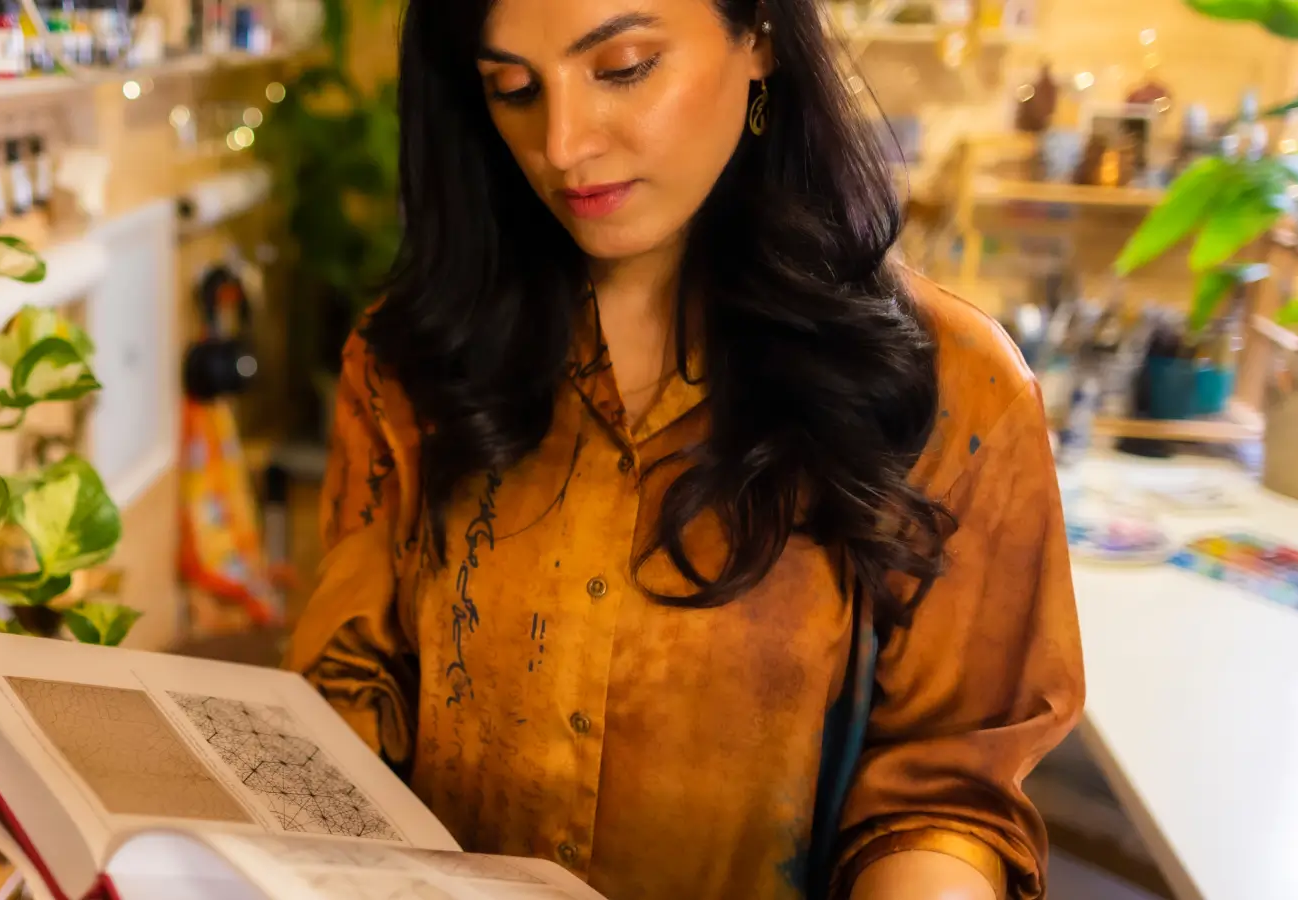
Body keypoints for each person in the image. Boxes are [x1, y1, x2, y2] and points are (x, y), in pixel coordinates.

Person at [282, 1, 1085, 898]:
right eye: (511, 88)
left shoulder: (953, 389)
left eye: (623, 67)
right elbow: (349, 693)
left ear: (762, 37)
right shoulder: (414, 362)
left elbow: (946, 797)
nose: (562, 144)